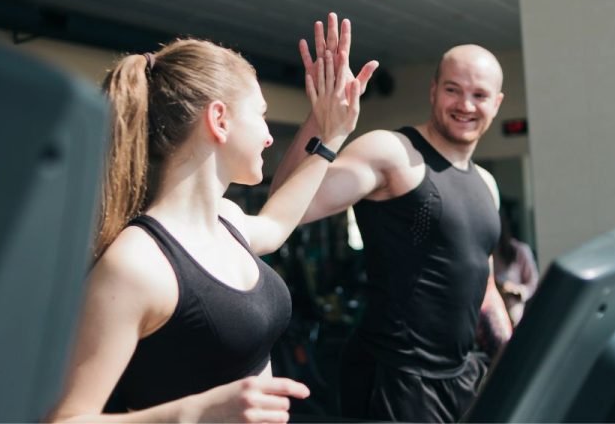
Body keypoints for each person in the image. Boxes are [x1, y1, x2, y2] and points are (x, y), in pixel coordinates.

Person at [47, 28, 373, 423]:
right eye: (262, 115)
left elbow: (277, 222)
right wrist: (197, 412)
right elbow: (64, 419)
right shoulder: (136, 265)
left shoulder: (228, 220)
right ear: (219, 119)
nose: (270, 138)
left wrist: (330, 131)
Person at [271, 21, 513, 422]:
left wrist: (513, 358)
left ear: (497, 103)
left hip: (462, 379)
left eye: (479, 95)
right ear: (434, 90)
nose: (466, 105)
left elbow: (482, 285)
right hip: (395, 380)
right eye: (453, 89)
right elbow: (287, 205)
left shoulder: (486, 183)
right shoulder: (392, 153)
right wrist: (324, 124)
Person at [492, 213, 539, 325]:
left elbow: (533, 283)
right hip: (496, 318)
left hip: (516, 316)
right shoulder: (488, 254)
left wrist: (517, 290)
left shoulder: (520, 251)